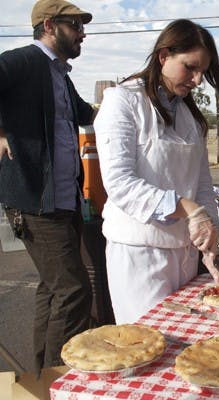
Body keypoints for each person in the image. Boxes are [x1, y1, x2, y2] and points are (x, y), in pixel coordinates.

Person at [93, 19, 219, 324]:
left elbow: (201, 183)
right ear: (163, 56)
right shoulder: (123, 102)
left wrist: (211, 238)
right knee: (149, 343)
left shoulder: (189, 117)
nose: (197, 79)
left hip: (183, 254)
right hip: (140, 253)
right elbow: (120, 183)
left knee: (185, 342)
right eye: (190, 67)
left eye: (202, 72)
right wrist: (188, 209)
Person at [0, 0, 94, 373]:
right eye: (76, 25)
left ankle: (41, 376)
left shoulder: (60, 76)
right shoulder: (25, 61)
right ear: (51, 26)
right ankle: (60, 380)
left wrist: (131, 98)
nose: (83, 33)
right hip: (36, 202)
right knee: (73, 292)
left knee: (53, 289)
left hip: (63, 199)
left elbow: (88, 114)